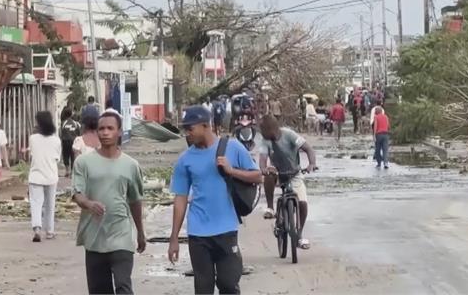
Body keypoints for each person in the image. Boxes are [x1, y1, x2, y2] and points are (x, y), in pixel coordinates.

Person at [168, 106, 261, 294]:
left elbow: (258, 176)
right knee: (203, 287)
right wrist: (174, 238)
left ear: (205, 125)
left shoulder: (233, 147)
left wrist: (232, 171)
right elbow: (180, 198)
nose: (187, 133)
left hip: (226, 229)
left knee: (228, 284)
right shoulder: (185, 159)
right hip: (198, 233)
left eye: (190, 128)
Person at [72, 111, 146, 295]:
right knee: (99, 290)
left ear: (119, 132)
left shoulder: (131, 165)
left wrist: (141, 232)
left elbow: (135, 200)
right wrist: (89, 204)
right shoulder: (84, 162)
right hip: (94, 236)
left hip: (120, 234)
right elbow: (77, 194)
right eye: (101, 129)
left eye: (110, 128)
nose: (105, 132)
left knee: (123, 286)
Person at [258, 115, 317, 250]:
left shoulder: (289, 135)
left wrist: (311, 164)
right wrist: (263, 168)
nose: (265, 135)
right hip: (277, 174)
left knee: (302, 203)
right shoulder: (265, 141)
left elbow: (308, 149)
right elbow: (262, 158)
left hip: (294, 173)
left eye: (266, 131)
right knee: (269, 172)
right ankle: (270, 207)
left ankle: (299, 234)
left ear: (274, 128)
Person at [23, 111, 61, 242]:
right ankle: (49, 231)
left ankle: (37, 229)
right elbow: (57, 159)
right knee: (50, 204)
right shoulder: (56, 140)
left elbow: (32, 155)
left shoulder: (33, 138)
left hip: (35, 175)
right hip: (51, 175)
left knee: (36, 203)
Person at [59, 107, 81, 177]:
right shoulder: (76, 123)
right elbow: (79, 133)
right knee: (72, 156)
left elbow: (60, 132)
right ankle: (72, 172)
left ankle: (67, 170)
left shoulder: (63, 123)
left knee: (65, 155)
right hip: (73, 141)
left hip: (65, 141)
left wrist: (61, 138)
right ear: (71, 114)